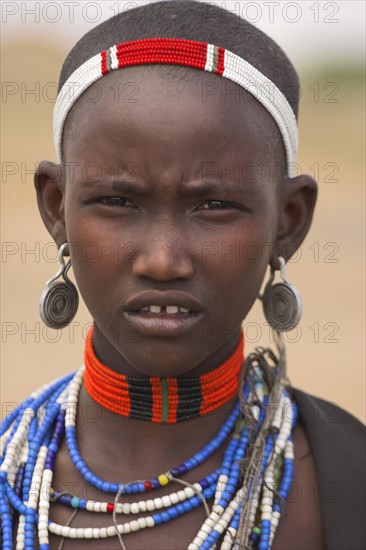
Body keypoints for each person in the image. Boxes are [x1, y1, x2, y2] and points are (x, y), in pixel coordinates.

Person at [1, 1, 365, 549]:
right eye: (118, 200)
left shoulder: (345, 482)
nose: (163, 262)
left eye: (214, 204)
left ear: (288, 222)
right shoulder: (12, 474)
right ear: (56, 208)